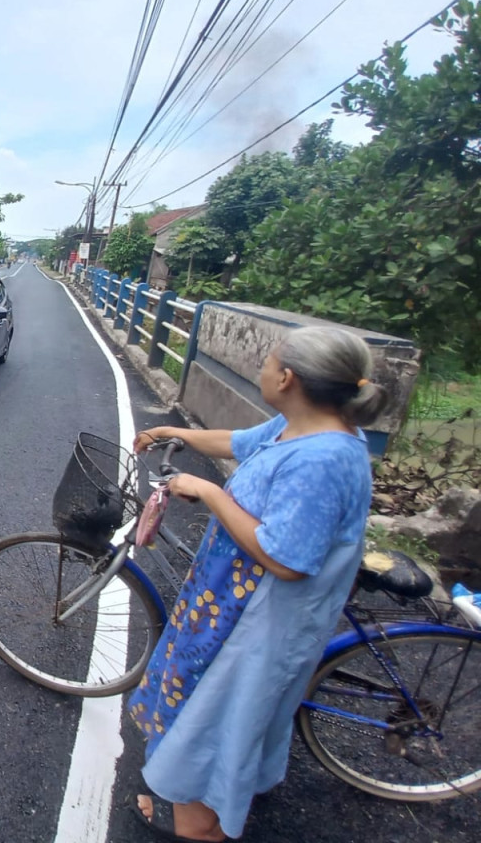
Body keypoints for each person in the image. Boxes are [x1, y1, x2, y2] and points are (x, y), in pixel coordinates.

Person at [126, 326, 389, 842]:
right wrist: (167, 433)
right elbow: (235, 442)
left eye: (268, 362)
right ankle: (226, 793)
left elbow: (287, 560)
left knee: (216, 717)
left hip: (259, 623)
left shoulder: (323, 459)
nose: (263, 369)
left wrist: (208, 490)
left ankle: (201, 825)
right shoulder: (301, 427)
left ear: (287, 377)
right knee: (231, 719)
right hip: (229, 601)